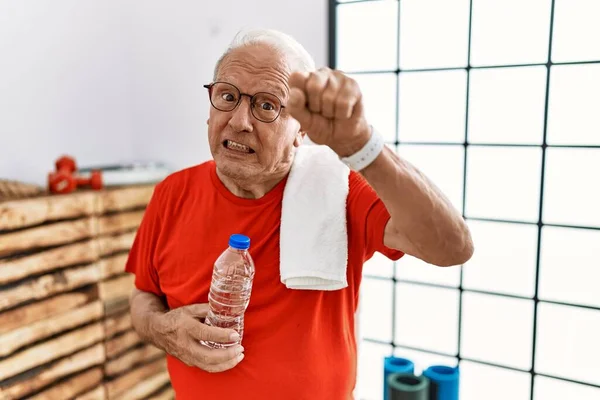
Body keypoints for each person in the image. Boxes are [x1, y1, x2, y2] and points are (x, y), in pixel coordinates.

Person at [125, 28, 474, 400]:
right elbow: (143, 296)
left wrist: (361, 145)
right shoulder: (172, 193)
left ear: (300, 131)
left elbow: (452, 248)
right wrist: (162, 329)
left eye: (266, 105)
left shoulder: (340, 191)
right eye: (227, 96)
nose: (240, 121)